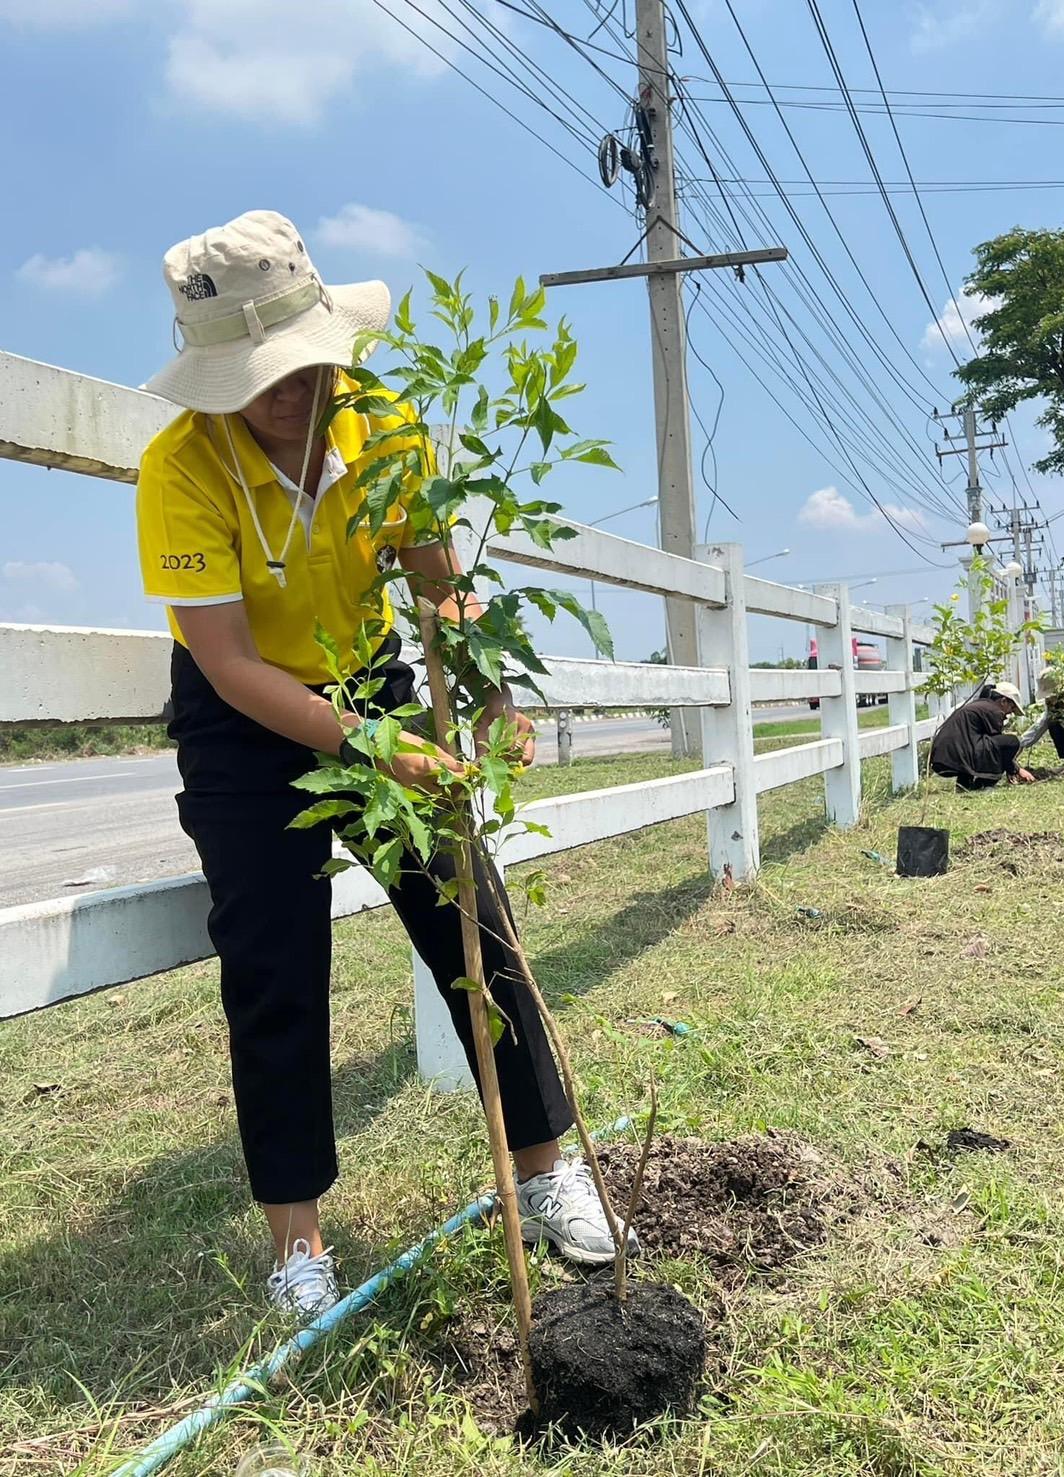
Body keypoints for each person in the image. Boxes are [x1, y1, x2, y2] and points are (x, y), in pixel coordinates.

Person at [136, 210, 636, 1318]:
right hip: (245, 723)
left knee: (471, 910)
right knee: (272, 964)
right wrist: (374, 749)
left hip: (372, 684)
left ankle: (547, 1173)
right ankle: (298, 1247)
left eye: (303, 363)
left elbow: (434, 580)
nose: (290, 391)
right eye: (258, 376)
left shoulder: (384, 425)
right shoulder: (182, 468)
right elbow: (223, 661)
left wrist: (488, 679)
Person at [929, 681, 1036, 791]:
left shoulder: (979, 706)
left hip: (943, 759)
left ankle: (964, 785)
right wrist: (1016, 770)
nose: (1009, 714)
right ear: (1003, 701)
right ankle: (984, 784)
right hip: (958, 756)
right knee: (1011, 742)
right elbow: (998, 751)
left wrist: (1013, 768)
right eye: (1011, 708)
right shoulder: (994, 711)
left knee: (978, 744)